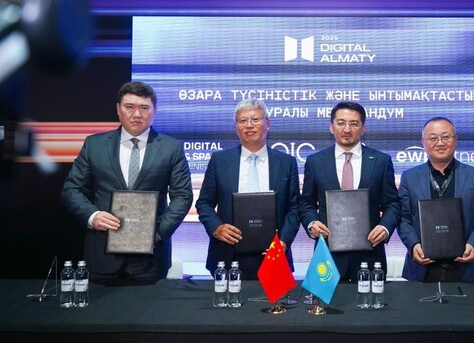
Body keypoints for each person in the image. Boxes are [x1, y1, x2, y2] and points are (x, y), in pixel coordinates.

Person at [61, 81, 193, 282]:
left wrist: (158, 233)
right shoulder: (94, 145)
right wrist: (92, 216)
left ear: (155, 111)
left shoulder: (171, 148)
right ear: (118, 109)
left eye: (144, 108)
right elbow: (72, 190)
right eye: (129, 107)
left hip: (151, 257)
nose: (137, 114)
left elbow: (183, 196)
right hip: (102, 252)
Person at [196, 99, 300, 280]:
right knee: (227, 298)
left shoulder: (286, 162)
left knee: (275, 299)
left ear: (267, 123)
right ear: (236, 127)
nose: (249, 125)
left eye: (255, 119)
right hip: (227, 253)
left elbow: (294, 208)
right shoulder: (220, 161)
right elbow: (204, 203)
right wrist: (217, 228)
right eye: (243, 121)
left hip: (274, 254)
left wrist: (283, 241)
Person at [299, 101, 400, 281]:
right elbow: (306, 203)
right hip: (327, 255)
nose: (347, 129)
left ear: (363, 128)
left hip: (370, 254)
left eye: (354, 124)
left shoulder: (381, 161)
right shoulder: (315, 162)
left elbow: (392, 204)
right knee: (326, 299)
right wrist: (311, 223)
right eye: (341, 123)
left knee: (371, 299)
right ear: (331, 127)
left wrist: (385, 227)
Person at [398, 116, 474, 282]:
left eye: (445, 137)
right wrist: (413, 245)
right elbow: (403, 218)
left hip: (465, 268)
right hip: (422, 269)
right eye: (433, 138)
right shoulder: (409, 177)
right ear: (423, 143)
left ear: (455, 140)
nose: (440, 143)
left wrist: (473, 245)